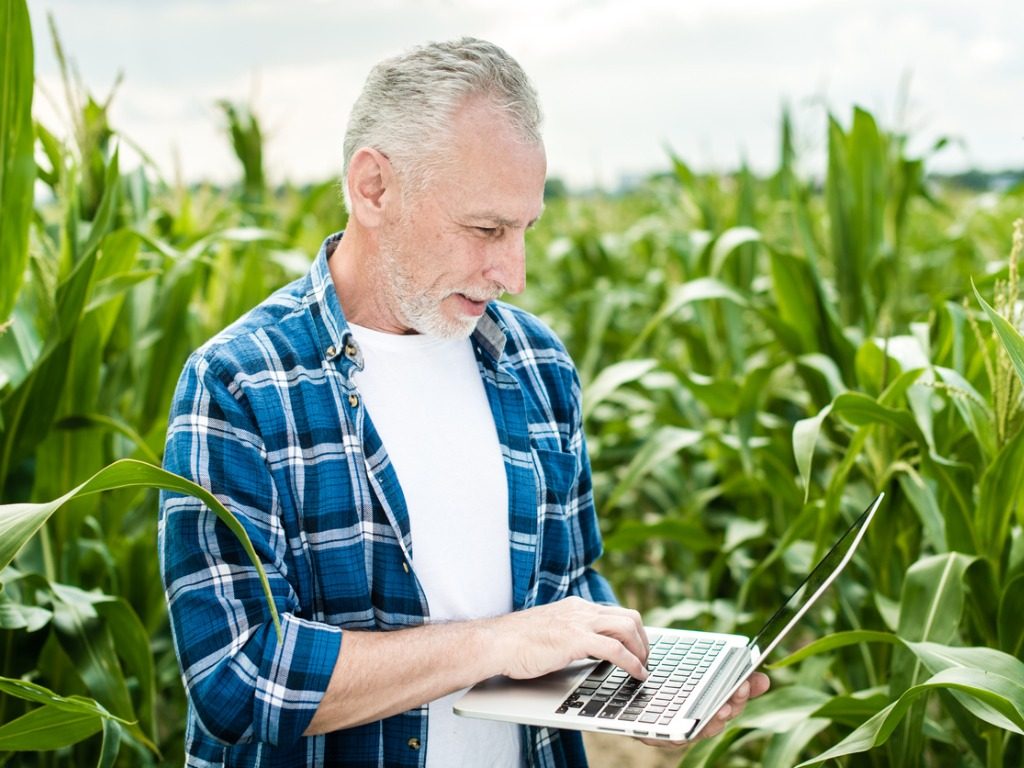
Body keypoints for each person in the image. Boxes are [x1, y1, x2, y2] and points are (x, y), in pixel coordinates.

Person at [159, 37, 768, 768]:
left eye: (523, 230)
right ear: (374, 188)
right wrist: (495, 642)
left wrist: (635, 685)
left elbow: (569, 588)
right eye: (485, 229)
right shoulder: (240, 384)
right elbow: (238, 679)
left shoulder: (536, 363)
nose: (511, 271)